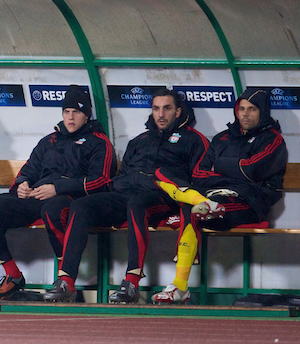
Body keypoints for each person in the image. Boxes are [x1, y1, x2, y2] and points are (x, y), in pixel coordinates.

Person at [42, 87, 210, 303]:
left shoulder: (195, 140)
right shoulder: (139, 140)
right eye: (156, 108)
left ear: (178, 112)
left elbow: (198, 180)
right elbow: (122, 174)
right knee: (81, 206)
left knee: (136, 205)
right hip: (125, 193)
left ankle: (131, 282)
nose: (160, 114)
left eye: (167, 109)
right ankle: (67, 281)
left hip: (161, 197)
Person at [0, 85, 116, 300]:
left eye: (77, 112)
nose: (71, 117)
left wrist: (57, 188)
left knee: (53, 210)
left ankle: (64, 281)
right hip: (36, 197)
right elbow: (28, 169)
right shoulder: (49, 140)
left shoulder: (99, 142)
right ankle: (13, 275)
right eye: (66, 112)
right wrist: (22, 184)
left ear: (87, 115)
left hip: (71, 199)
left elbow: (100, 181)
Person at [151, 87, 287, 304]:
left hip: (249, 201)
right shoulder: (222, 138)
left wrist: (221, 167)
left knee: (191, 212)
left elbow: (253, 171)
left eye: (252, 109)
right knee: (173, 188)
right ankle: (179, 286)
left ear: (263, 112)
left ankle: (180, 286)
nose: (245, 114)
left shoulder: (272, 140)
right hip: (214, 196)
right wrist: (232, 172)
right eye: (241, 108)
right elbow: (199, 174)